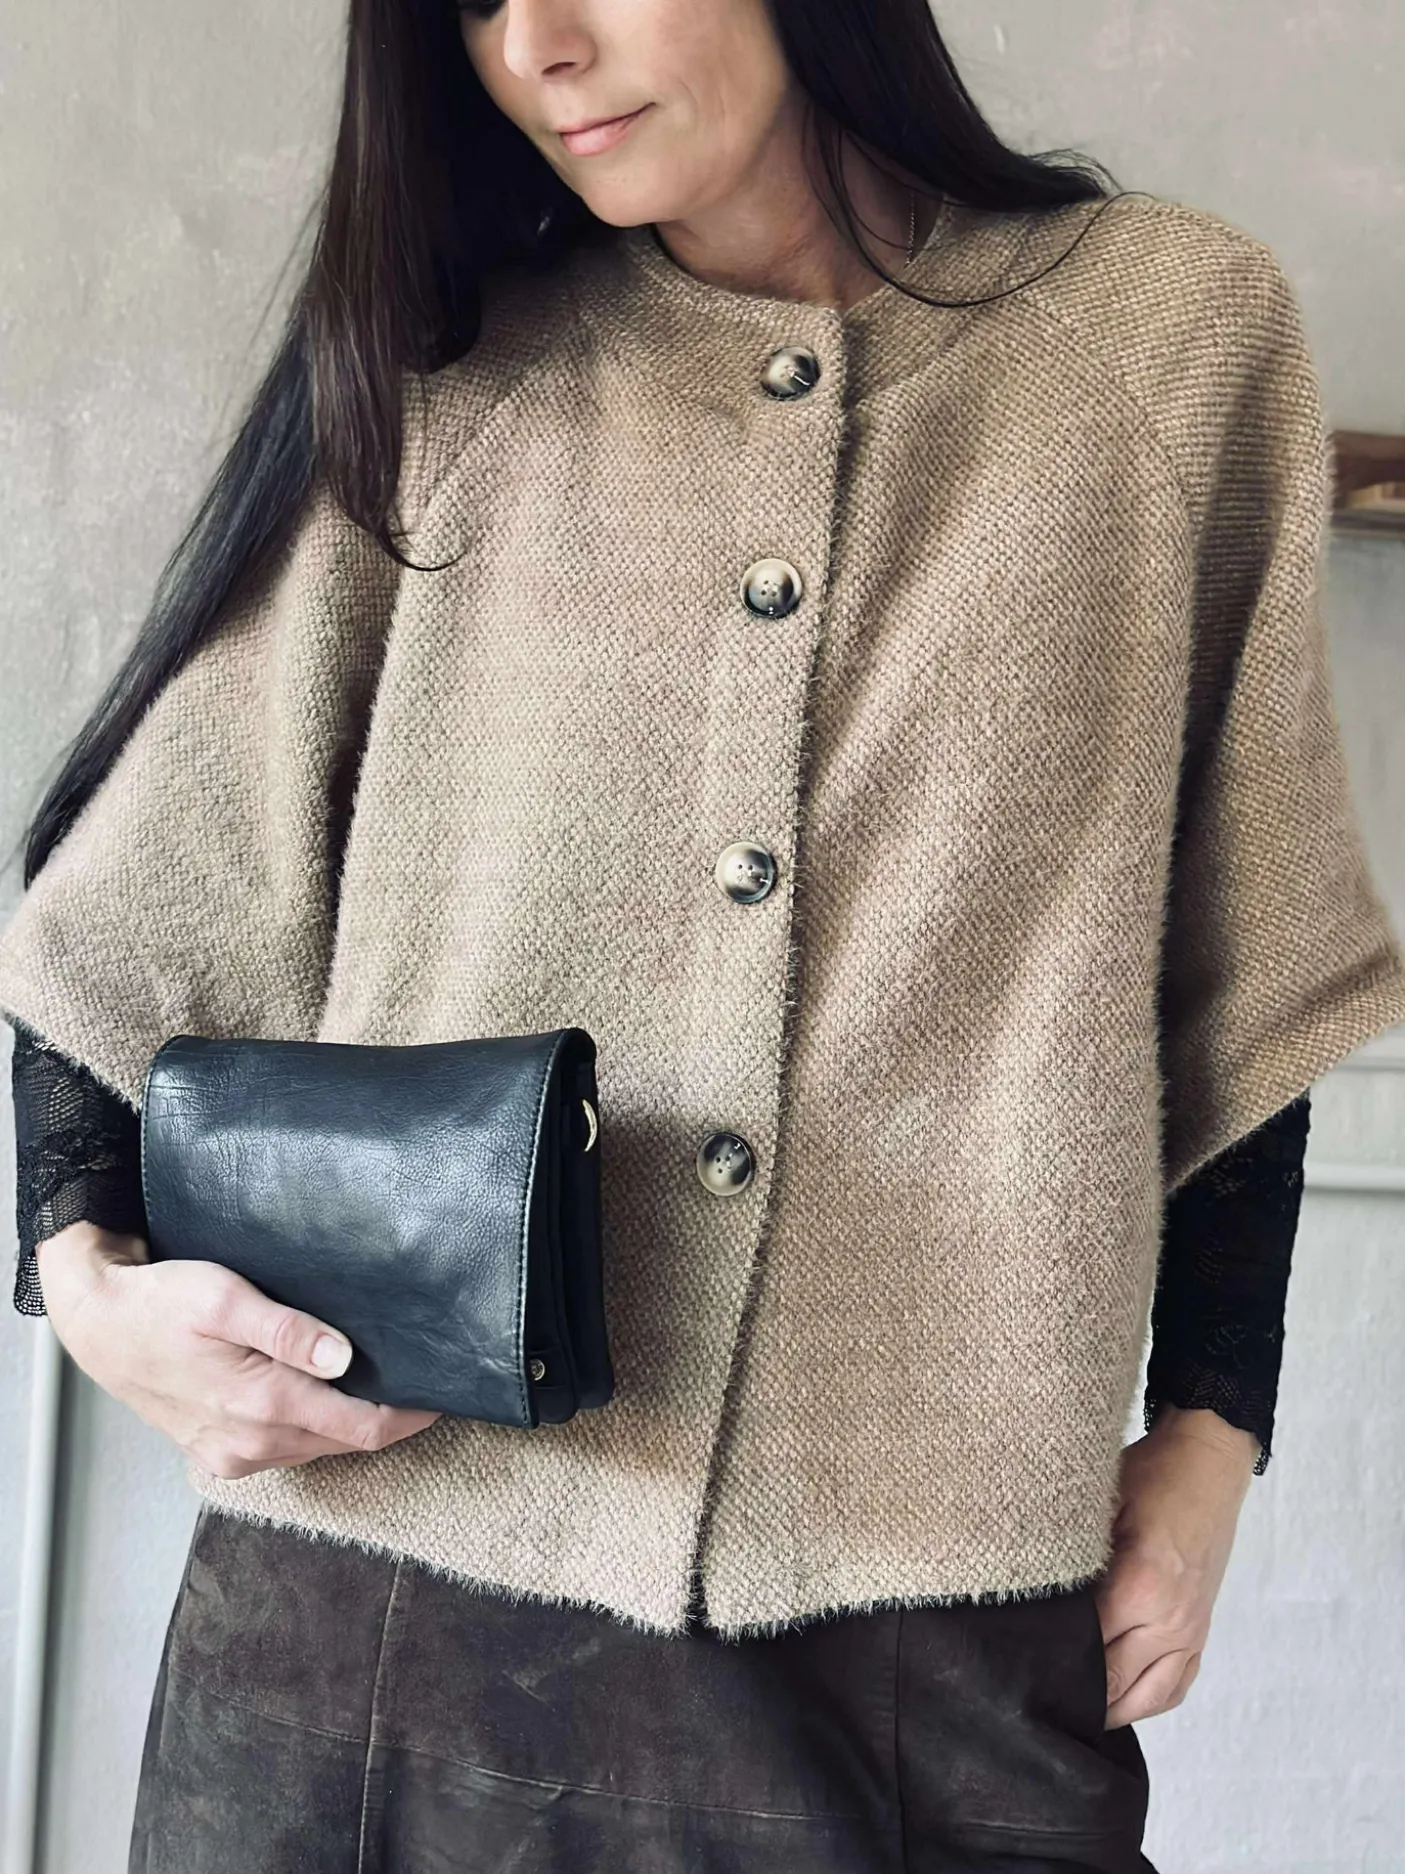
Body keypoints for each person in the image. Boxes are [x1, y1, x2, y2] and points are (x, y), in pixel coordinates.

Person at [4, 1, 1404, 1869]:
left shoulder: (1164, 346)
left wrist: (1214, 1432)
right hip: (372, 1628)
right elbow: (131, 933)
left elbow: (1246, 966)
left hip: (927, 1642)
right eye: (476, 2)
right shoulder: (450, 377)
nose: (537, 47)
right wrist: (93, 1291)